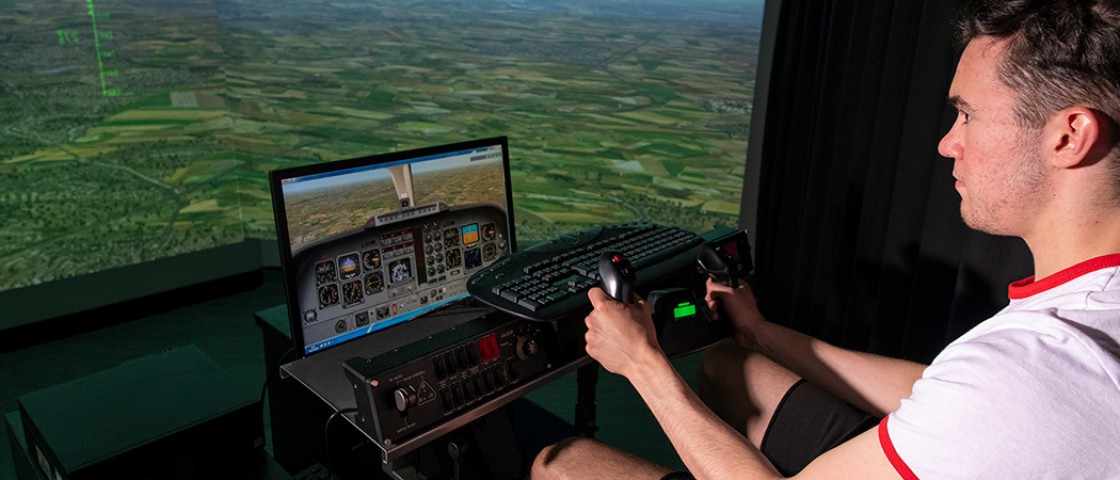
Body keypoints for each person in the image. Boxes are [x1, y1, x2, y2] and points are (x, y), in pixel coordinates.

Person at [531, 0, 1120, 478]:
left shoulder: (1028, 368)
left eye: (968, 115)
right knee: (735, 366)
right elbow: (946, 392)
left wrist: (643, 365)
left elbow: (994, 391)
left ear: (1069, 136)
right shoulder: (1079, 318)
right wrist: (763, 333)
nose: (947, 142)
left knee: (564, 463)